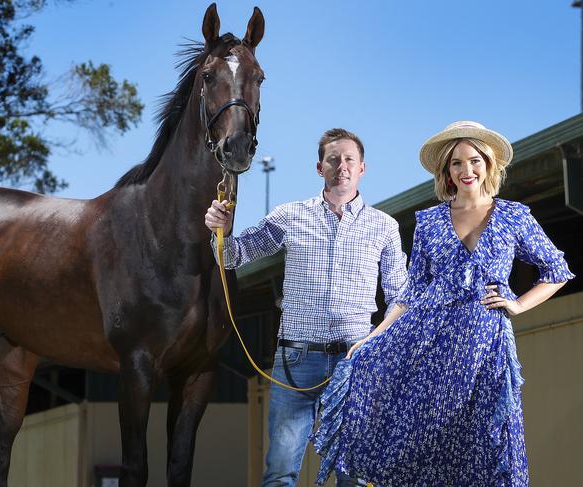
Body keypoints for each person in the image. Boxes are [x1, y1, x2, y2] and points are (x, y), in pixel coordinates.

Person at [311, 121, 575, 487]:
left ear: (488, 164)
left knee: (487, 441)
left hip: (485, 344)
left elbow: (556, 270)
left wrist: (517, 305)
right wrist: (374, 337)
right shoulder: (430, 221)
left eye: (474, 161)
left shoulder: (514, 215)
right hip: (428, 343)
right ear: (446, 171)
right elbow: (412, 292)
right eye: (456, 163)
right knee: (425, 444)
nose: (466, 170)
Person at [204, 128, 408, 487]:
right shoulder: (289, 216)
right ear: (319, 168)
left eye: (349, 159)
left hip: (354, 362)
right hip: (295, 361)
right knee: (280, 472)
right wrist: (218, 230)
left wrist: (374, 346)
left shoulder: (385, 228)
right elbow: (234, 255)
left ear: (363, 168)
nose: (341, 166)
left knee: (354, 475)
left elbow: (401, 298)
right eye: (333, 159)